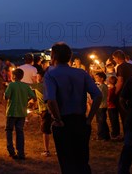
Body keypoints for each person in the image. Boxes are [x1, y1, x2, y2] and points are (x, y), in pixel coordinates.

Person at [44, 42, 102, 174]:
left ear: (53, 57)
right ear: (69, 57)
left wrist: (58, 119)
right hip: (80, 121)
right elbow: (98, 96)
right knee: (82, 160)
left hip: (63, 122)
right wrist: (89, 119)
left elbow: (51, 100)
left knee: (66, 162)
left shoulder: (51, 74)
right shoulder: (81, 73)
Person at [4, 68, 36, 159]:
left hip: (11, 112)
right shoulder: (26, 86)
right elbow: (34, 97)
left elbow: (6, 97)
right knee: (20, 132)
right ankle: (21, 152)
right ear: (21, 76)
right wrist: (26, 101)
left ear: (14, 76)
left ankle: (11, 151)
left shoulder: (11, 85)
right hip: (22, 112)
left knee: (9, 131)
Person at [113, 50, 132, 130]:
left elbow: (120, 81)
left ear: (117, 58)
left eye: (114, 58)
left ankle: (127, 133)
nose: (114, 60)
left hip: (124, 93)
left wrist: (115, 92)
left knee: (124, 115)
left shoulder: (120, 67)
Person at [32, 70, 52, 157]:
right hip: (51, 109)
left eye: (38, 77)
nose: (36, 78)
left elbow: (26, 85)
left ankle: (46, 151)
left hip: (45, 110)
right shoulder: (49, 85)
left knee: (45, 131)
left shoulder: (39, 85)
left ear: (42, 78)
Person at [94, 72, 110, 141]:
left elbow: (99, 96)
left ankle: (101, 136)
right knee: (103, 121)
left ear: (102, 78)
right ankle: (106, 136)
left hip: (101, 106)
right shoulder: (103, 86)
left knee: (101, 122)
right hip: (103, 105)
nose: (96, 78)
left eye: (97, 77)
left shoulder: (102, 87)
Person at [107, 75, 121, 140]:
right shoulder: (115, 88)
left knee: (113, 121)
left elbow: (109, 98)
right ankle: (117, 133)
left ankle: (115, 135)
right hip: (115, 106)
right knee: (116, 120)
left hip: (111, 106)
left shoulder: (111, 90)